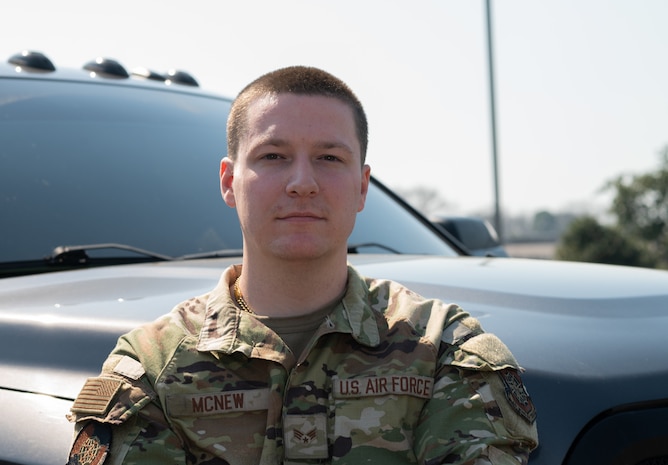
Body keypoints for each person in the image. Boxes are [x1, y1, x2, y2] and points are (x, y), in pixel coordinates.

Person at [67, 66, 538, 465]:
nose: (302, 183)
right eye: (273, 156)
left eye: (329, 158)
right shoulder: (151, 368)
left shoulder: (444, 349)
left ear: (361, 186)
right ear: (230, 182)